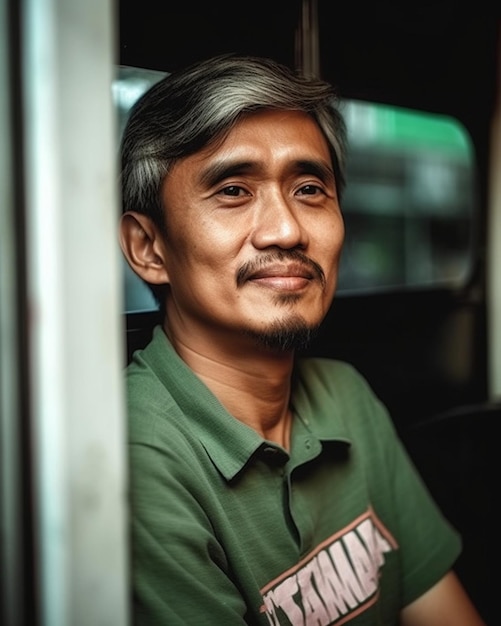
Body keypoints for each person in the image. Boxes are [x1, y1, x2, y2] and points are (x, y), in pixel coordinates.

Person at [119, 54, 485, 625]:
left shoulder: (344, 395)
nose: (287, 229)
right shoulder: (136, 459)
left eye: (311, 188)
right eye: (234, 190)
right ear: (148, 246)